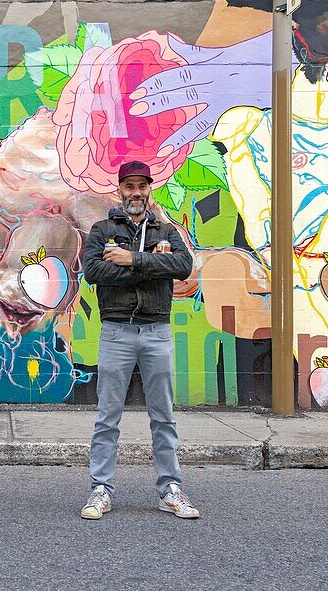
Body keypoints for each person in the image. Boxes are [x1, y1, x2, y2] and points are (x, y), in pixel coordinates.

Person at [79, 160, 200, 520]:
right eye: (129, 186)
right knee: (108, 416)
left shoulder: (166, 230)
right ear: (120, 190)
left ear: (150, 189)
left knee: (163, 415)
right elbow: (95, 271)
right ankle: (100, 489)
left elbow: (183, 266)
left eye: (142, 186)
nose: (136, 192)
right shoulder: (101, 230)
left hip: (156, 331)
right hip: (116, 331)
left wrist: (132, 260)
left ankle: (170, 489)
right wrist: (149, 269)